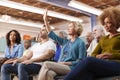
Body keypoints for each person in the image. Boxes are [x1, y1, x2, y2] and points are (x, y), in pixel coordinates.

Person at [64, 7, 120, 80]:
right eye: (104, 23)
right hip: (103, 64)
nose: (105, 25)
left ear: (115, 22)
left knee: (89, 60)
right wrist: (98, 56)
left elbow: (90, 59)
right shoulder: (104, 39)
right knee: (87, 74)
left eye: (108, 22)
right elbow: (93, 54)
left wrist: (112, 56)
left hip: (117, 64)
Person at [38, 9, 86, 80]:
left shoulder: (80, 43)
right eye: (68, 27)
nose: (68, 28)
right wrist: (45, 20)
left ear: (77, 29)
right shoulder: (65, 42)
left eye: (70, 27)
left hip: (71, 68)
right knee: (49, 73)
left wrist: (66, 63)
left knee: (46, 64)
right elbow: (52, 34)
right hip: (60, 65)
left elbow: (81, 61)